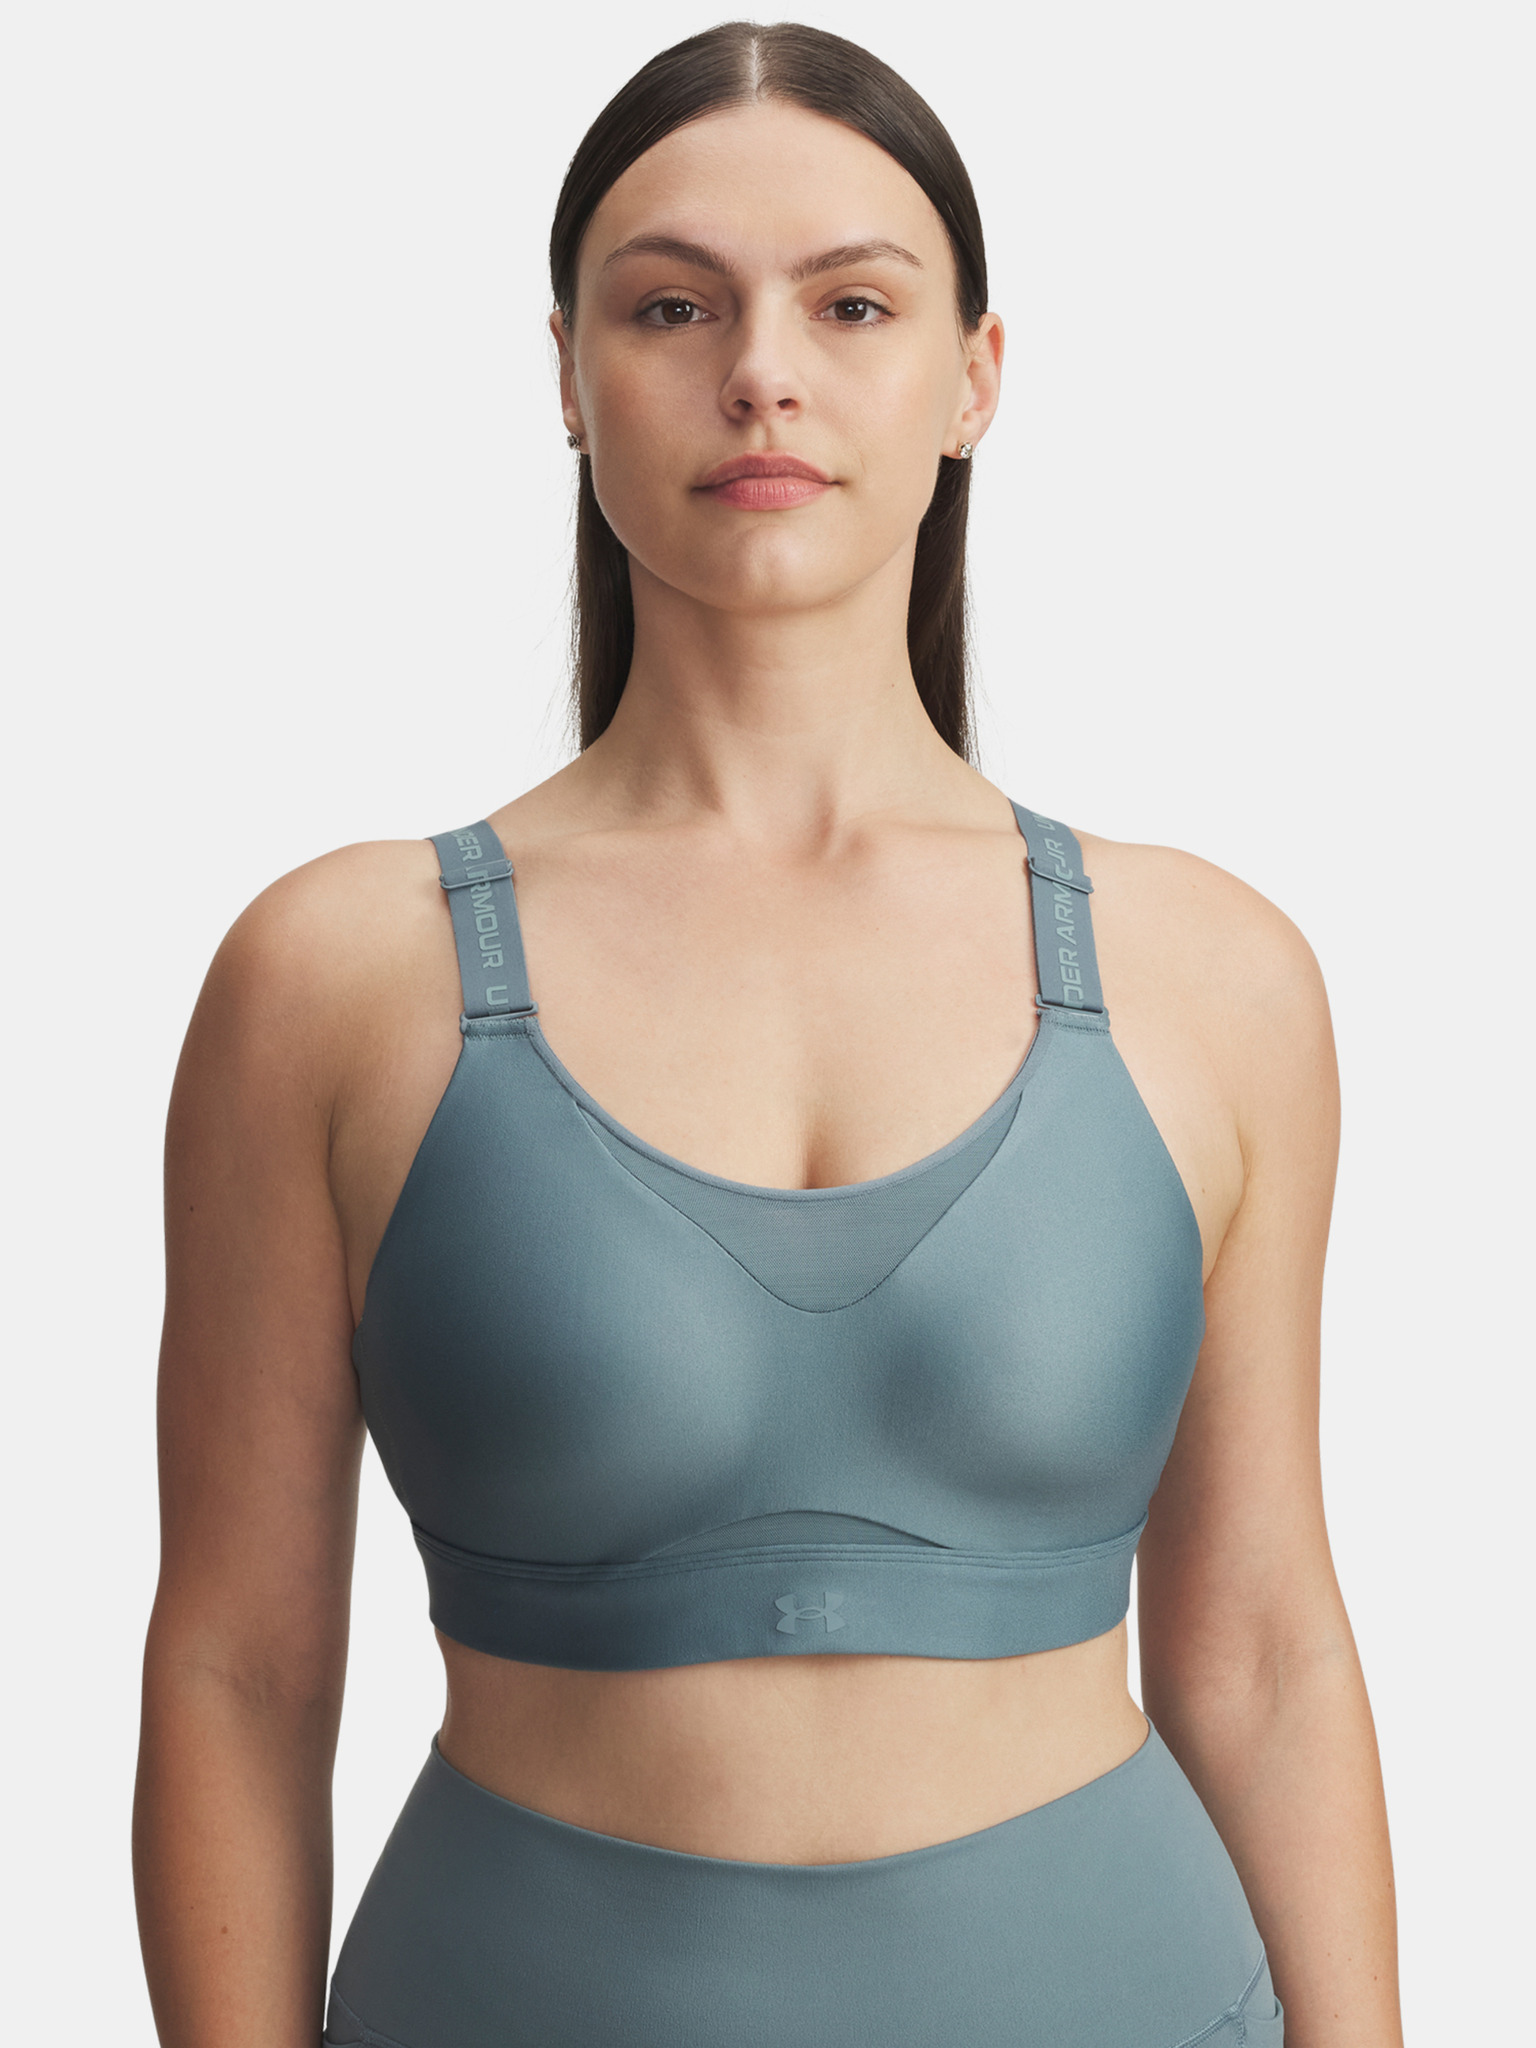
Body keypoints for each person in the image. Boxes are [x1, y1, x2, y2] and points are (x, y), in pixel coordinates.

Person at [133, 22, 1403, 2047]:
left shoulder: (1213, 975)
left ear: (975, 376)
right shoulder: (335, 980)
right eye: (672, 306)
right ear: (568, 373)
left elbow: (1261, 1651)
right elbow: (240, 1668)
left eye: (852, 304)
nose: (762, 373)